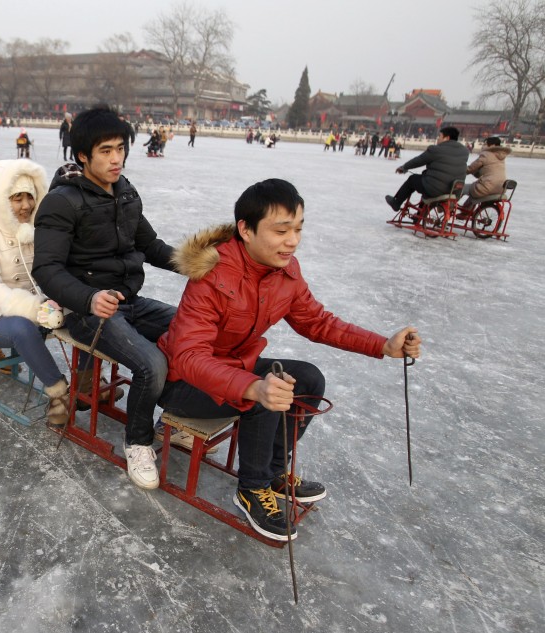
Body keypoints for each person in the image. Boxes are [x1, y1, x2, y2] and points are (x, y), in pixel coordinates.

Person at [158, 178, 422, 541]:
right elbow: (188, 357)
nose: (293, 240)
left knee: (308, 379)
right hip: (183, 385)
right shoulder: (212, 276)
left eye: (298, 229)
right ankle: (251, 489)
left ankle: (272, 473)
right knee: (267, 394)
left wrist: (382, 345)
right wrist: (251, 386)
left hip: (235, 370)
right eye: (281, 230)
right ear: (246, 230)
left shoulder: (285, 271)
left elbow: (317, 322)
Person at [32, 105, 178, 491]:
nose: (116, 159)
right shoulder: (62, 202)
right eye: (106, 151)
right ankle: (139, 441)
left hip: (128, 301)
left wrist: (199, 264)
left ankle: (176, 420)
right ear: (83, 155)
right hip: (85, 311)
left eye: (120, 149)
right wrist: (89, 297)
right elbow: (46, 269)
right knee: (152, 364)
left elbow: (151, 246)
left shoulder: (126, 193)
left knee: (192, 329)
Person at [0, 158, 70, 430]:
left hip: (41, 305)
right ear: (0, 199)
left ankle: (87, 380)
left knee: (87, 312)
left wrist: (62, 300)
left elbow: (53, 269)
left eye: (30, 197)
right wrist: (35, 308)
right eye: (16, 198)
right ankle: (59, 393)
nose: (25, 206)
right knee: (23, 328)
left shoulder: (39, 227)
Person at [385, 126, 469, 212]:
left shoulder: (436, 149)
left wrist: (404, 167)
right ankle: (417, 217)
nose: (437, 139)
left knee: (413, 179)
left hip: (436, 189)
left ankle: (396, 203)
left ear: (446, 138)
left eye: (439, 136)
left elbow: (419, 160)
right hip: (454, 191)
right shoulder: (464, 151)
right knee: (429, 183)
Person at [459, 137, 511, 205]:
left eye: (485, 144)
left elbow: (471, 168)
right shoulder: (501, 156)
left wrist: (459, 170)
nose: (483, 146)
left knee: (461, 188)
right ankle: (466, 211)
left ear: (492, 145)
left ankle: (450, 209)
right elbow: (485, 171)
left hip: (488, 187)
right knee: (474, 191)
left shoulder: (486, 154)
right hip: (500, 188)